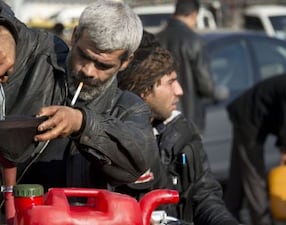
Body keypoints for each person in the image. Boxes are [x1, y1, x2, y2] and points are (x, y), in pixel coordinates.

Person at [0, 0, 161, 224]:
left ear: (125, 62)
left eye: (103, 66)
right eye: (84, 55)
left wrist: (83, 124)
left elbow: (139, 156)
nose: (88, 70)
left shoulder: (125, 107)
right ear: (74, 36)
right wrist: (3, 32)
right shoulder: (36, 52)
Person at [116, 31, 239, 225]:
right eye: (170, 82)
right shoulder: (111, 139)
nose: (180, 91)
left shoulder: (182, 131)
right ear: (143, 91)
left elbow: (204, 193)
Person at [224, 74, 286, 225]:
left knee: (238, 175)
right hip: (248, 119)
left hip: (249, 116)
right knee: (254, 175)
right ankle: (262, 221)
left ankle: (227, 217)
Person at [156, 0, 215, 133]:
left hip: (162, 117)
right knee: (188, 154)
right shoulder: (195, 41)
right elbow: (206, 86)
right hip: (190, 118)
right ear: (194, 15)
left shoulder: (156, 39)